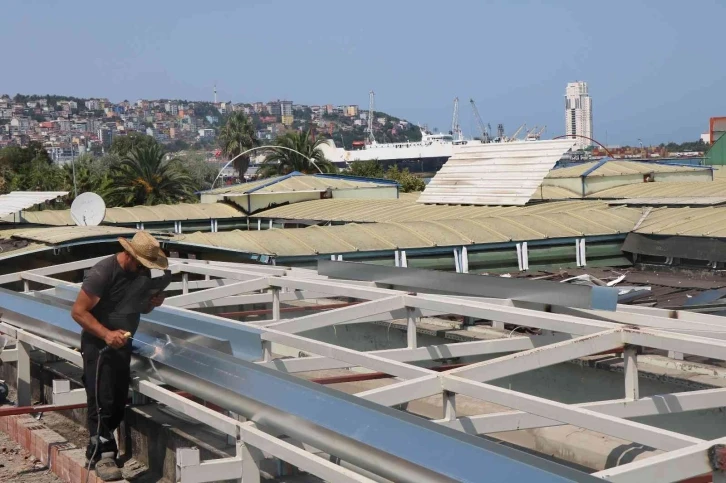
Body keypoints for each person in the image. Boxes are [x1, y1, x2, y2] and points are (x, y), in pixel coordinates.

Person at [71, 231, 168, 481]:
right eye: (142, 263)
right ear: (129, 255)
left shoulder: (141, 273)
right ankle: (104, 455)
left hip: (122, 343)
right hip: (98, 344)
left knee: (116, 400)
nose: (145, 269)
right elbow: (79, 312)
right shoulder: (103, 272)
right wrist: (105, 334)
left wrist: (151, 303)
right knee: (100, 398)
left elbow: (137, 307)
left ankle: (96, 448)